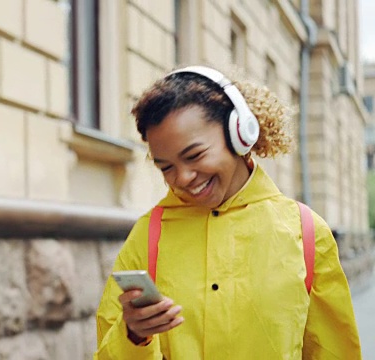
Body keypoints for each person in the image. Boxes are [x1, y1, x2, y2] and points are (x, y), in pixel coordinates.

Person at [94, 65, 362, 359]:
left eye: (194, 155)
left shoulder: (307, 233)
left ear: (239, 134)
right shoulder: (148, 235)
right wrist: (133, 337)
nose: (182, 178)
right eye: (166, 167)